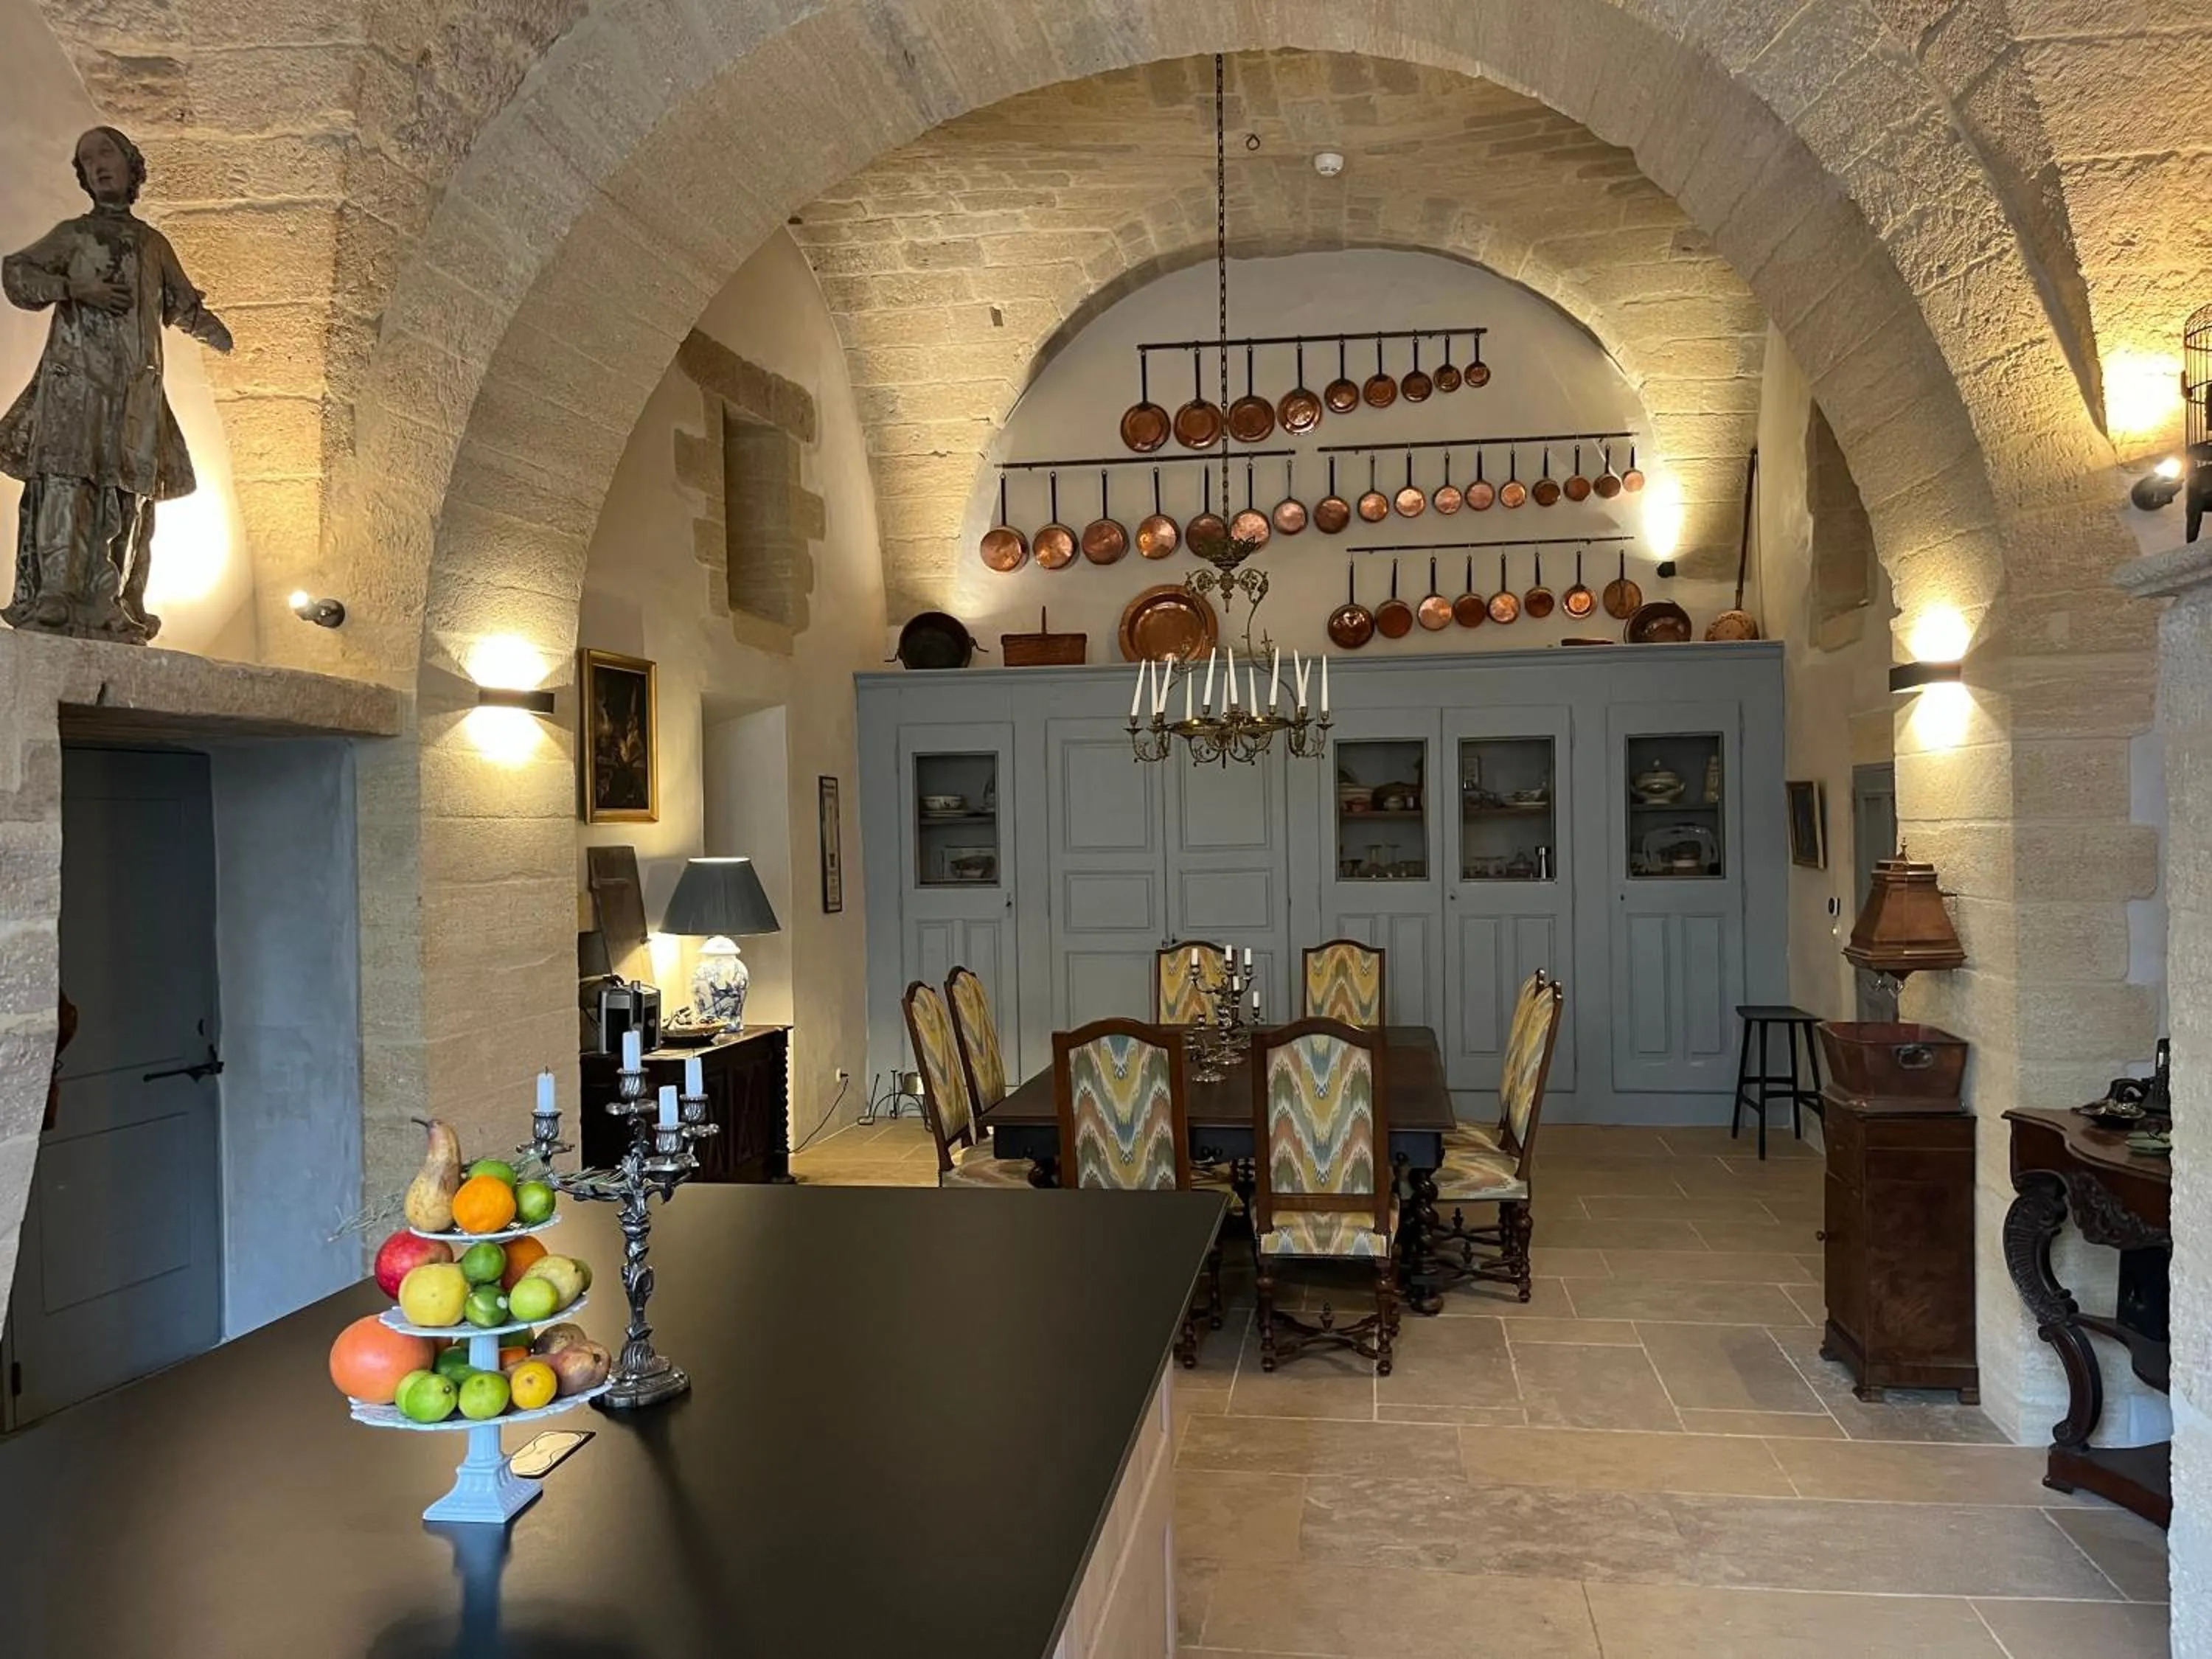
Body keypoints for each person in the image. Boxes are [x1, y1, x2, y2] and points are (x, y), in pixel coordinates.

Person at [0, 126, 232, 641]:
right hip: (74, 385)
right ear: (82, 177)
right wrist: (73, 287)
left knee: (128, 492)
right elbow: (17, 274)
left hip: (134, 390)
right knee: (66, 479)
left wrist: (218, 332)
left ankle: (117, 598)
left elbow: (181, 304)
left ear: (131, 166)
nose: (98, 164)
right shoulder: (74, 235)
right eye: (87, 159)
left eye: (107, 153)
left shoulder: (153, 243)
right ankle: (57, 594)